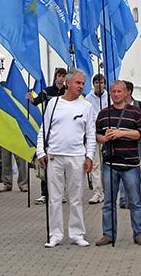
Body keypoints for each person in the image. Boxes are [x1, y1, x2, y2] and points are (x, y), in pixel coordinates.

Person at [36, 69, 96, 248]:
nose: (81, 86)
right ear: (68, 83)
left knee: (76, 197)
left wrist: (89, 156)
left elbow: (90, 134)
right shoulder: (53, 103)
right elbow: (44, 129)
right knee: (54, 197)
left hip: (77, 156)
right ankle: (55, 234)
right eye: (78, 82)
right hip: (54, 156)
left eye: (83, 83)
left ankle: (77, 233)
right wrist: (41, 152)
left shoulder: (86, 106)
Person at [95, 80, 141, 246]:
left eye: (119, 91)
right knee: (108, 202)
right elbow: (96, 134)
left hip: (130, 165)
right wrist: (104, 138)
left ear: (126, 93)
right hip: (110, 164)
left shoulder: (136, 112)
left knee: (135, 201)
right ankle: (108, 234)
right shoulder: (104, 114)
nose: (116, 94)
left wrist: (121, 133)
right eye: (113, 92)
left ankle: (139, 233)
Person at [27, 67, 67, 205]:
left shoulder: (67, 91)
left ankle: (60, 193)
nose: (61, 78)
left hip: (63, 129)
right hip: (49, 129)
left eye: (63, 76)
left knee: (62, 161)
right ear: (56, 77)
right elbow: (36, 101)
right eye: (59, 75)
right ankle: (45, 194)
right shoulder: (48, 91)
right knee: (46, 161)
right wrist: (31, 99)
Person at [118, 80, 141, 209]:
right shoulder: (117, 106)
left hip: (136, 143)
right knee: (121, 170)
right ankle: (123, 198)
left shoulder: (138, 105)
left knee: (133, 170)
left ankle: (133, 198)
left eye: (122, 90)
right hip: (120, 143)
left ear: (129, 91)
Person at [85, 73, 108, 204]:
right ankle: (97, 192)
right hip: (93, 135)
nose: (99, 85)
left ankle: (107, 191)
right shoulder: (88, 98)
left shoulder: (108, 97)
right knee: (95, 164)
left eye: (102, 82)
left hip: (107, 134)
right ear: (93, 84)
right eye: (97, 82)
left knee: (107, 164)